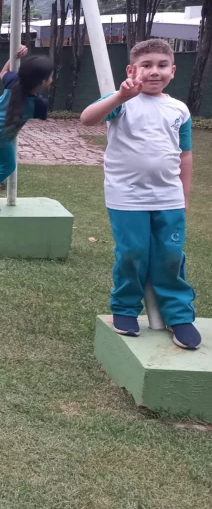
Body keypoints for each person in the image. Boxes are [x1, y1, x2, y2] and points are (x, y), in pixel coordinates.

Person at [80, 38, 199, 350]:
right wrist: (120, 95)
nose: (154, 71)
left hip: (169, 198)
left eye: (162, 65)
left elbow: (185, 155)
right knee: (132, 253)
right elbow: (87, 119)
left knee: (170, 256)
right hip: (127, 197)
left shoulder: (179, 109)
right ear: (131, 70)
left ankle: (178, 315)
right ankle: (125, 308)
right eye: (146, 65)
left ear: (173, 71)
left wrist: (184, 197)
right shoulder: (122, 101)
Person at [0, 46, 52, 214]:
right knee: (7, 166)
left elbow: (3, 72)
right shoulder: (39, 105)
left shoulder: (13, 81)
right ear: (43, 82)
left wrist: (13, 56)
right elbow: (41, 115)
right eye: (50, 76)